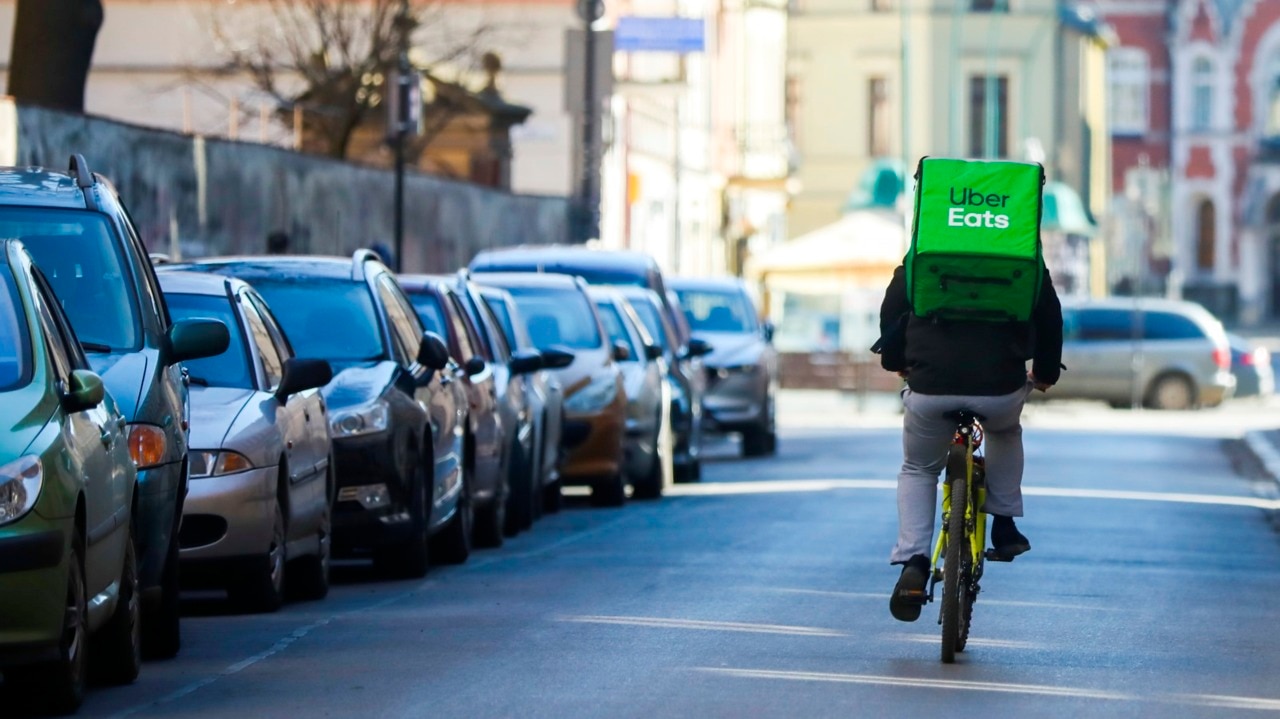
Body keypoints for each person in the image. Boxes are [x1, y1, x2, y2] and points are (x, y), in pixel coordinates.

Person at [875, 263, 1063, 623]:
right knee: (1004, 431)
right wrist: (1044, 373)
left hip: (931, 381)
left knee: (918, 467)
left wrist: (897, 361)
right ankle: (1004, 525)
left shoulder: (927, 249)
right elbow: (1050, 319)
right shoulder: (1022, 256)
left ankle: (913, 560)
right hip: (1000, 384)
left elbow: (892, 309)